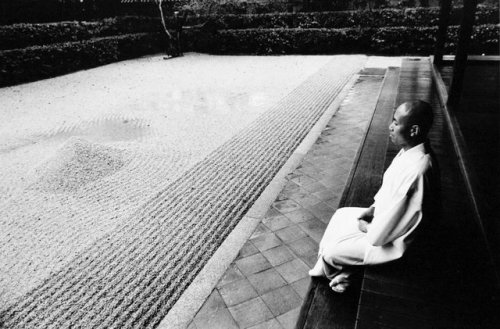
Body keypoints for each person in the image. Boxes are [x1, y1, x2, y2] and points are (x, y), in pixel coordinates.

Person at [309, 100, 440, 293]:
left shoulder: (418, 170)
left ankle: (342, 274)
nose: (391, 126)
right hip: (387, 224)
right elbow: (390, 194)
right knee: (342, 215)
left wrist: (368, 227)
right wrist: (373, 210)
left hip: (397, 243)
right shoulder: (410, 151)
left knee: (332, 251)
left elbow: (384, 233)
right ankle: (344, 269)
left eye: (396, 122)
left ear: (413, 130)